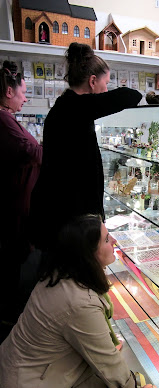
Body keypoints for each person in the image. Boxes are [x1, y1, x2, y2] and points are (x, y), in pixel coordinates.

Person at [0, 214, 159, 388]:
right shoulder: (80, 302)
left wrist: (102, 344)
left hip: (15, 369)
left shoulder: (59, 274)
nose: (114, 241)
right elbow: (108, 361)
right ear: (90, 254)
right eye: (107, 239)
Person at [30, 42, 142, 251]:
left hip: (58, 215)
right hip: (64, 221)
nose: (106, 89)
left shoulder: (67, 106)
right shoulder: (75, 107)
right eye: (105, 83)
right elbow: (131, 95)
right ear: (92, 81)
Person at [0, 61, 42, 325]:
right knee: (12, 268)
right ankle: (9, 319)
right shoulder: (3, 120)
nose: (26, 98)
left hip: (16, 207)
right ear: (8, 92)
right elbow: (32, 151)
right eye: (23, 93)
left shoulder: (7, 118)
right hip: (13, 209)